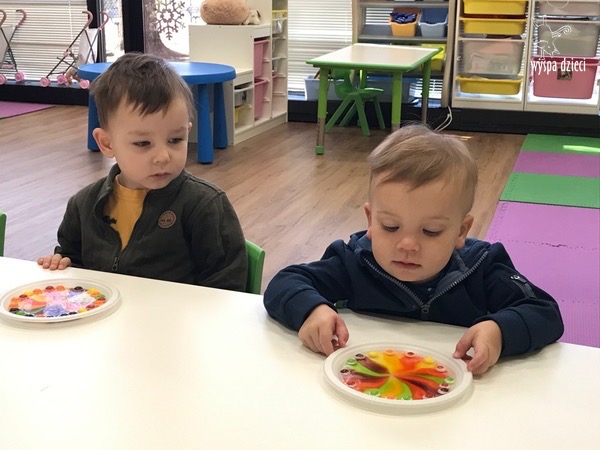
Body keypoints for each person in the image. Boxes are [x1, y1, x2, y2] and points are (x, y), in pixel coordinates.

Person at [264, 124, 564, 374]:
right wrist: (311, 310)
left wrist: (499, 331)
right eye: (390, 227)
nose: (407, 245)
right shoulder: (354, 260)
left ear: (461, 231)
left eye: (431, 231)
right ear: (370, 220)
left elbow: (545, 313)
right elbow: (286, 281)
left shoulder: (482, 267)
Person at [37, 52, 247, 292]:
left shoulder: (204, 205)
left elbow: (228, 285)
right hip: (106, 314)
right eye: (143, 143)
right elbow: (73, 261)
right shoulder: (83, 204)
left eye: (176, 139)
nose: (163, 156)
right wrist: (62, 263)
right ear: (106, 143)